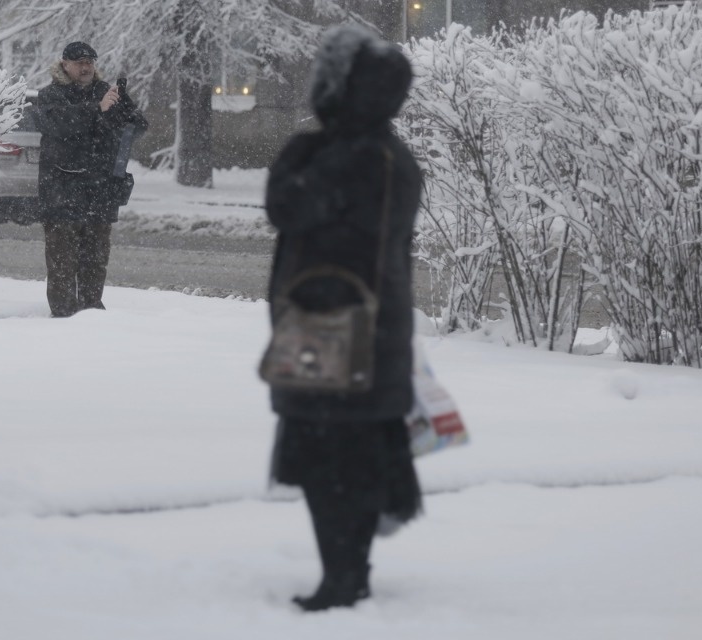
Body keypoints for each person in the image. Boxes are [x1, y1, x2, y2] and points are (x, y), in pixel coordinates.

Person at [264, 25, 423, 612]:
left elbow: (288, 206)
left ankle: (344, 578)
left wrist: (300, 154)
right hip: (362, 332)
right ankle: (348, 571)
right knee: (347, 458)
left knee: (332, 462)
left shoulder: (355, 156)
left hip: (339, 333)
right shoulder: (384, 153)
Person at [35, 41, 148, 317]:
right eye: (79, 62)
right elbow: (59, 124)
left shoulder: (106, 91)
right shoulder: (50, 95)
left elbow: (139, 126)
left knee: (95, 260)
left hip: (101, 192)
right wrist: (97, 109)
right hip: (62, 192)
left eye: (90, 62)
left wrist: (122, 112)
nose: (86, 67)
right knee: (63, 261)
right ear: (65, 64)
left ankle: (92, 314)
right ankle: (62, 316)